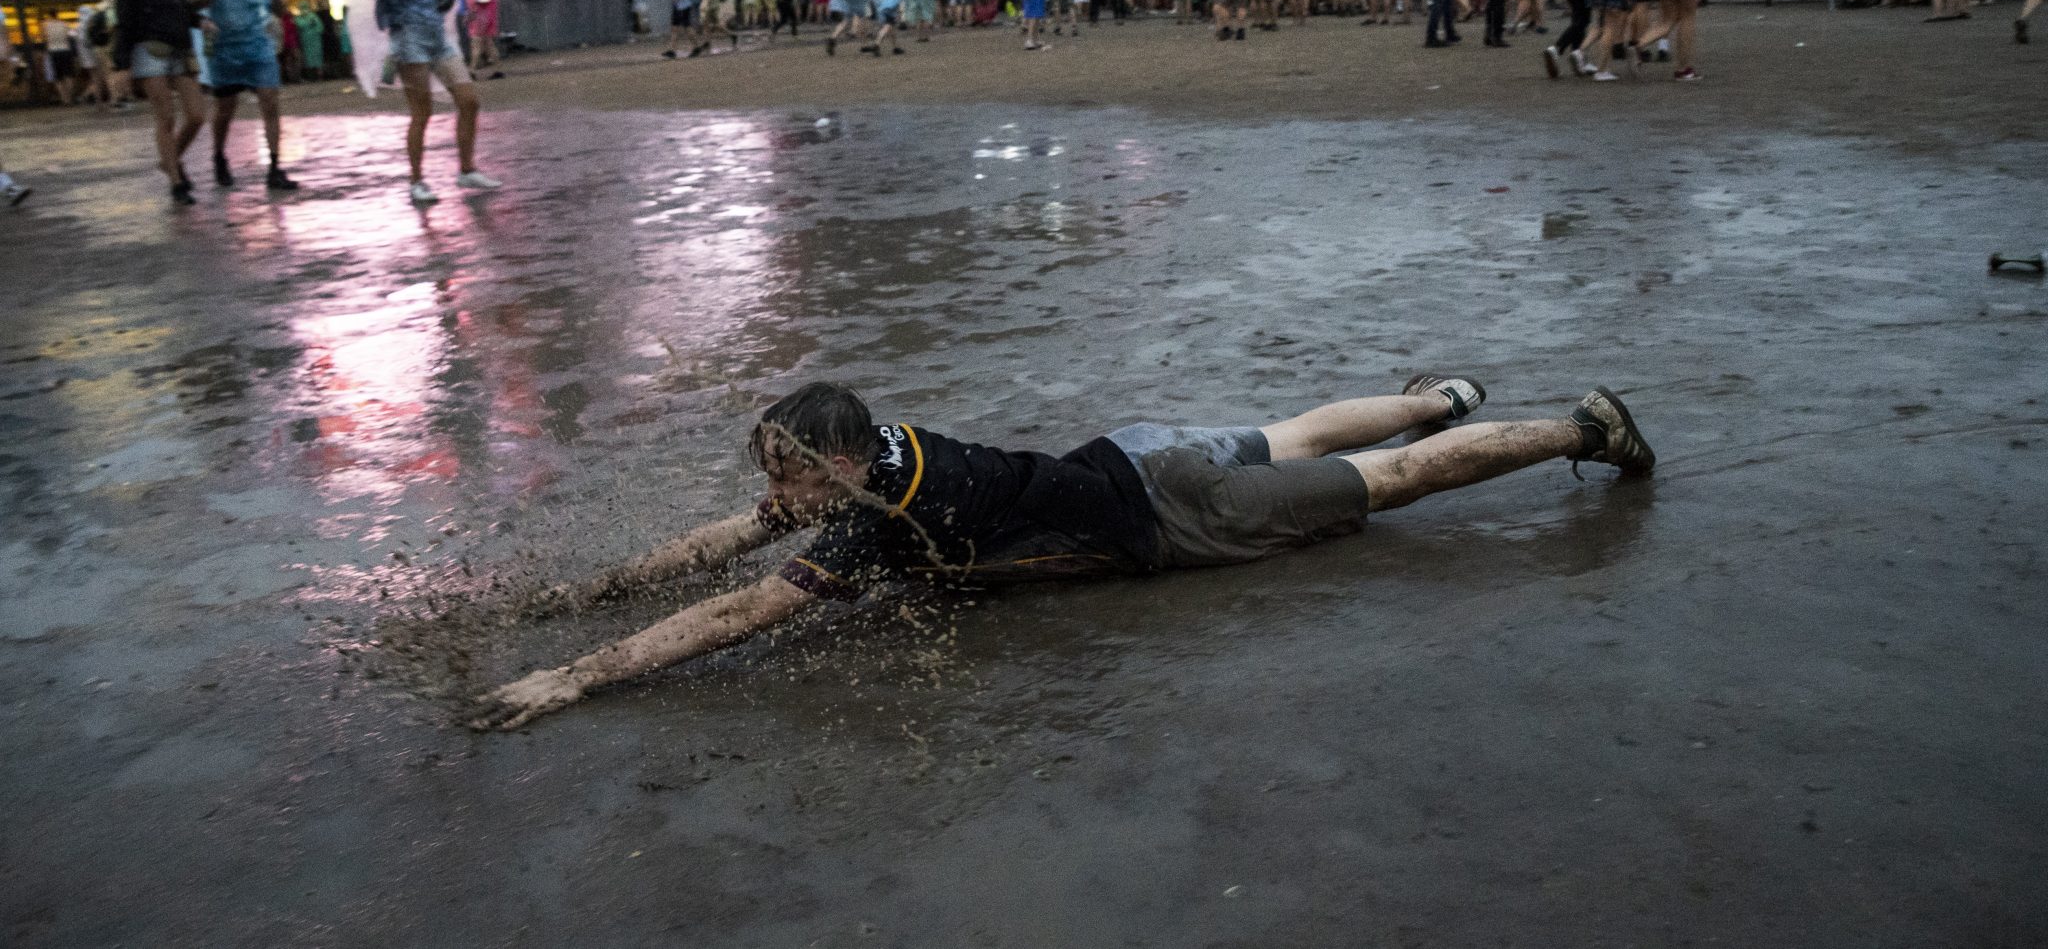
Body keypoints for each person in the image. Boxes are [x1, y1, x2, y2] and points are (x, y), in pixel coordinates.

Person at [468, 373, 1656, 730]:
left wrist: (579, 675)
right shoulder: (861, 451)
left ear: (831, 468)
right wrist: (591, 594)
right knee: (1287, 427)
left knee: (1384, 486)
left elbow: (739, 614)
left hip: (1171, 514)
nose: (768, 493)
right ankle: (1437, 389)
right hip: (1126, 451)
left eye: (783, 475)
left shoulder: (891, 517)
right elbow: (730, 539)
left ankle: (1579, 428)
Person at [365, 0, 502, 205]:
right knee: (421, 113)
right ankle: (417, 180)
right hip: (408, 37)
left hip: (437, 36)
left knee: (468, 100)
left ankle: (467, 169)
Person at [184, 0, 297, 190]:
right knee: (225, 108)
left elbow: (279, 9)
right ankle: (219, 156)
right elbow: (188, 3)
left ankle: (274, 166)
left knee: (270, 100)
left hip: (257, 44)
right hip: (223, 47)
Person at [112, 0, 210, 205]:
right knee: (165, 116)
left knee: (196, 115)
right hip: (147, 48)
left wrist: (199, 21)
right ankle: (177, 182)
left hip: (179, 47)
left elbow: (180, 7)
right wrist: (122, 63)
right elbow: (125, 20)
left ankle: (170, 160)